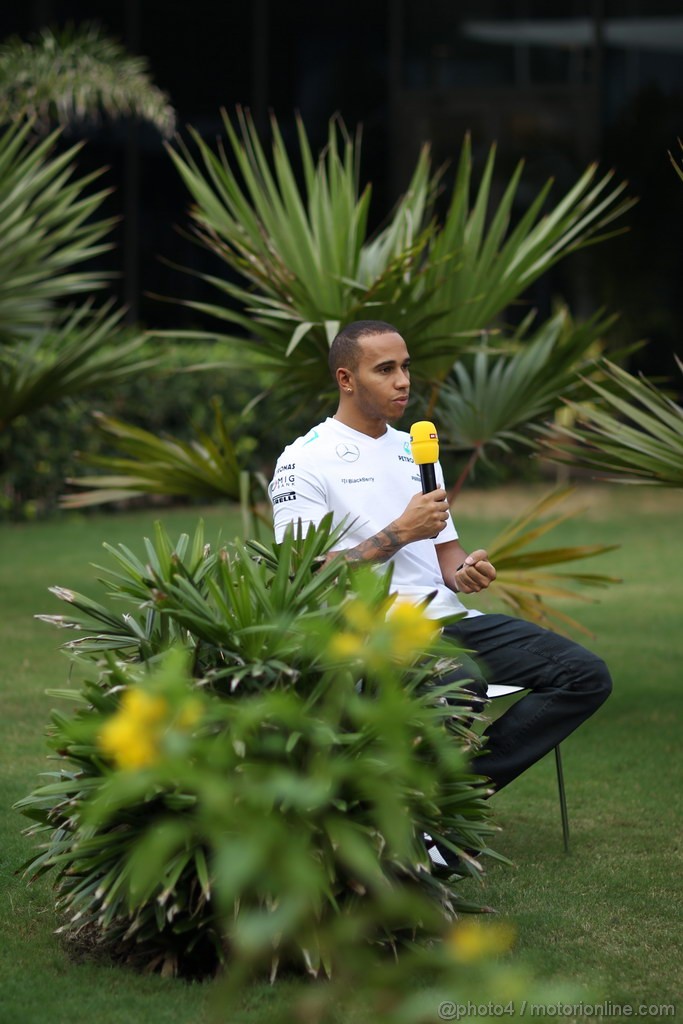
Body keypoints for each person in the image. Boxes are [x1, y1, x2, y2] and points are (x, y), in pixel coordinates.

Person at [269, 319, 612, 797]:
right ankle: (432, 822)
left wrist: (467, 571)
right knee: (461, 682)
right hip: (374, 632)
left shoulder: (417, 449)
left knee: (584, 675)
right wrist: (398, 533)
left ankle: (457, 796)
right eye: (385, 369)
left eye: (406, 367)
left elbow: (447, 559)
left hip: (449, 622)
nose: (403, 381)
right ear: (346, 379)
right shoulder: (303, 461)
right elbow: (304, 576)